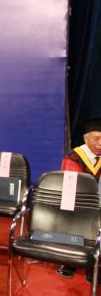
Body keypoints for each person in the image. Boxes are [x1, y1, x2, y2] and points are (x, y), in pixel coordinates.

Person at [57, 116, 101, 279]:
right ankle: (69, 260)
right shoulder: (74, 157)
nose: (100, 144)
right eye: (96, 139)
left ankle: (95, 264)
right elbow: (69, 190)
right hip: (77, 205)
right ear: (86, 138)